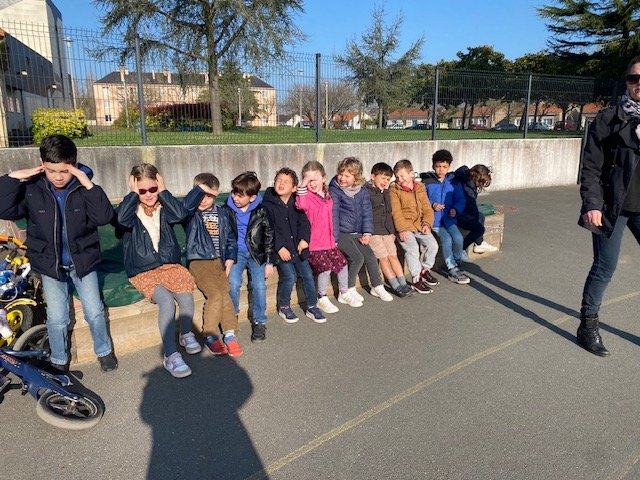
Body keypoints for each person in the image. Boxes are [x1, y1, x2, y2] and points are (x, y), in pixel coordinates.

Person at [0, 134, 118, 372]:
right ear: (42, 164)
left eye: (64, 171)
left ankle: (104, 351)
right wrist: (12, 178)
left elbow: (104, 217)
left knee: (94, 311)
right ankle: (59, 360)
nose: (58, 176)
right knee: (57, 317)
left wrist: (87, 183)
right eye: (51, 170)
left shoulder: (83, 188)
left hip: (83, 262)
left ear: (74, 165)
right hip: (49, 264)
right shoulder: (32, 189)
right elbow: (5, 210)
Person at [577, 55, 640, 357]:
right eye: (634, 78)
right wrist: (592, 204)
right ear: (626, 82)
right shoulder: (608, 119)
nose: (639, 84)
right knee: (605, 267)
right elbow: (590, 167)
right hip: (612, 207)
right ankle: (588, 326)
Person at [117, 163, 199, 378]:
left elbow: (180, 214)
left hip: (168, 265)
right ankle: (171, 355)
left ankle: (186, 334)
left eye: (152, 189)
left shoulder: (164, 207)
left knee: (186, 295)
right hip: (143, 269)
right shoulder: (130, 210)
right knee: (166, 301)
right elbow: (120, 220)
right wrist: (132, 195)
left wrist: (163, 191)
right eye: (142, 190)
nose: (148, 194)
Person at [183, 173, 243, 357]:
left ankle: (230, 333)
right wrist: (198, 192)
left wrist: (230, 258)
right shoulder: (191, 214)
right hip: (199, 262)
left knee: (225, 294)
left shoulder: (222, 213)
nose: (204, 199)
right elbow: (185, 206)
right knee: (215, 295)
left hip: (219, 261)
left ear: (216, 195)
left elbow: (231, 239)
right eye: (200, 194)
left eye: (209, 195)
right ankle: (210, 335)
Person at [263, 168, 326, 324]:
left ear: (293, 188)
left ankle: (312, 306)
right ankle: (284, 306)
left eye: (286, 182)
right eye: (279, 180)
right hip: (281, 252)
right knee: (290, 276)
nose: (281, 184)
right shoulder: (267, 205)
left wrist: (304, 239)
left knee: (308, 275)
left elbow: (304, 223)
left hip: (298, 249)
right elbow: (267, 228)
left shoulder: (296, 203)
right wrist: (278, 247)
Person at [330, 157, 394, 303]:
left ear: (356, 177)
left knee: (370, 256)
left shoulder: (362, 191)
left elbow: (367, 213)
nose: (342, 178)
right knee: (357, 258)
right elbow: (333, 216)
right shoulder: (335, 190)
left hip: (357, 232)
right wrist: (335, 238)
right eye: (341, 174)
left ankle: (377, 286)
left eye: (347, 176)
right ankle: (347, 289)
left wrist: (367, 233)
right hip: (341, 233)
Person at [221, 171, 275, 343]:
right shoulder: (226, 209)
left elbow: (269, 236)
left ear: (252, 197)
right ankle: (232, 317)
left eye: (239, 195)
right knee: (233, 283)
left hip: (256, 253)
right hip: (235, 253)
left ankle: (260, 321)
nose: (235, 197)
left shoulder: (261, 210)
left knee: (259, 285)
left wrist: (269, 262)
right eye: (234, 193)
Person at [295, 161, 351, 312]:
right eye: (308, 180)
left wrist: (334, 239)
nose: (312, 183)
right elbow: (301, 205)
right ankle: (322, 297)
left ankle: (344, 292)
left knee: (342, 264)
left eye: (315, 179)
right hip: (314, 244)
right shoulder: (306, 196)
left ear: (324, 178)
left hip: (329, 241)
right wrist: (303, 184)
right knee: (325, 268)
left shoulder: (328, 194)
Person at [389, 159, 439, 294]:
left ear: (411, 174)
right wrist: (402, 229)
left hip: (418, 225)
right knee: (412, 248)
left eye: (402, 176)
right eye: (397, 177)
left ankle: (425, 270)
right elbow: (396, 212)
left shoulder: (420, 187)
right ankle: (416, 279)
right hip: (404, 226)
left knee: (433, 245)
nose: (400, 180)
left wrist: (427, 224)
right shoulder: (394, 190)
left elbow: (427, 208)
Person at [365, 162, 413, 298]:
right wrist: (366, 232)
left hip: (386, 231)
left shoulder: (386, 192)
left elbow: (389, 213)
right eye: (382, 178)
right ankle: (395, 284)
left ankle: (403, 282)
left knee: (393, 256)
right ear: (373, 177)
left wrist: (391, 231)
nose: (385, 182)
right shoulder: (366, 192)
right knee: (384, 258)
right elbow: (365, 214)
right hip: (373, 232)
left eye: (388, 179)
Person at [423, 149, 471, 285]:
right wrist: (433, 205)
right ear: (433, 166)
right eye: (438, 166)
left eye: (444, 167)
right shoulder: (427, 182)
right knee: (447, 239)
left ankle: (456, 261)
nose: (441, 169)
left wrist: (456, 209)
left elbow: (460, 199)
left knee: (458, 238)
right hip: (435, 222)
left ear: (449, 167)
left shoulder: (453, 182)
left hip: (449, 220)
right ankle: (451, 268)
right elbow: (422, 200)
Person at [453, 164, 499, 254]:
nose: (480, 186)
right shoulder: (467, 188)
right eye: (481, 183)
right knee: (479, 228)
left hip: (458, 209)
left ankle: (479, 243)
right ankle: (461, 250)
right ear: (477, 178)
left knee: (481, 216)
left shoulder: (464, 177)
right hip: (455, 212)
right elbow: (471, 207)